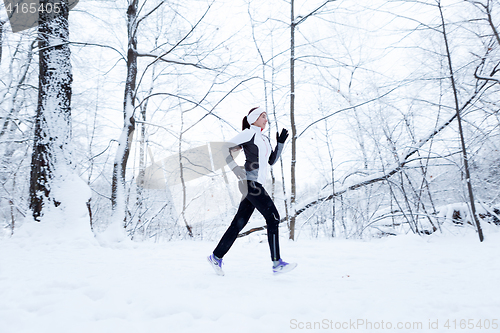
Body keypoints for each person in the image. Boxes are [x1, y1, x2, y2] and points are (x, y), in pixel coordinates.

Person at [207, 107, 297, 276]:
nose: (266, 119)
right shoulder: (249, 133)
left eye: (266, 117)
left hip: (257, 185)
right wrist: (235, 168)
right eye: (263, 116)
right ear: (254, 118)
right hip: (250, 183)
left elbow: (271, 161)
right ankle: (277, 263)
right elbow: (225, 148)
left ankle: (216, 256)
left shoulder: (264, 138)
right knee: (274, 217)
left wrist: (280, 144)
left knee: (238, 224)